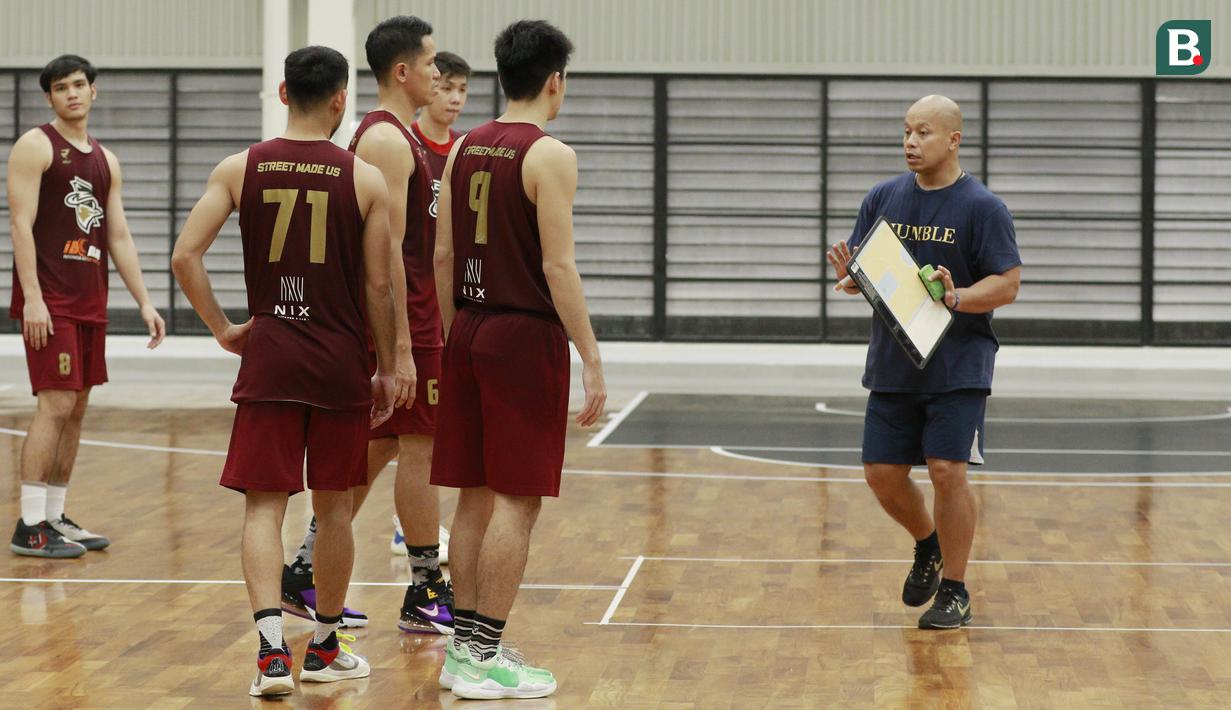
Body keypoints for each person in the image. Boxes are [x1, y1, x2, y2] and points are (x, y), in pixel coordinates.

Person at [171, 45, 400, 697]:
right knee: (334, 512)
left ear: (280, 93)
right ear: (339, 101)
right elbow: (379, 287)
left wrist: (223, 329)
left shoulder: (240, 167)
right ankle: (324, 647)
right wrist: (387, 365)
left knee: (262, 509)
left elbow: (186, 257)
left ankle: (271, 653)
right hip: (338, 361)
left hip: (270, 353)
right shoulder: (364, 178)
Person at [433, 19, 607, 700]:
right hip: (523, 335)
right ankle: (483, 653)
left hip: (468, 328)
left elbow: (443, 256)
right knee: (517, 502)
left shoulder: (462, 148)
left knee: (474, 496)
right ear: (555, 81)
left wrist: (457, 335)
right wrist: (589, 356)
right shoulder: (550, 155)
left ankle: (461, 652)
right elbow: (557, 266)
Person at [278, 15, 456, 635]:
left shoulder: (401, 136)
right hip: (406, 323)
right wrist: (401, 350)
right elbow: (390, 257)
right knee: (422, 450)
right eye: (431, 62)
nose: (439, 73)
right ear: (402, 71)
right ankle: (426, 587)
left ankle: (304, 570)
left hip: (411, 319)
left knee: (378, 448)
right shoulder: (384, 140)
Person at [827, 95, 1022, 629]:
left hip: (958, 364)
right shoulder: (883, 197)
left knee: (945, 470)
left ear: (954, 140)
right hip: (894, 361)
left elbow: (1007, 283)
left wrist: (957, 298)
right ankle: (927, 545)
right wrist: (851, 277)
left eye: (924, 133)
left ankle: (955, 590)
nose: (911, 143)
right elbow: (869, 275)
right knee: (882, 475)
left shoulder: (983, 208)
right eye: (906, 132)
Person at [8, 54, 166, 558]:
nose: (72, 93)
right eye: (61, 87)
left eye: (79, 85)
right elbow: (19, 224)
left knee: (75, 410)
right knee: (54, 404)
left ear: (93, 91)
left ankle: (54, 516)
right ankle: (29, 524)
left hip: (89, 300)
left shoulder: (105, 160)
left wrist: (144, 301)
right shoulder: (35, 147)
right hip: (51, 302)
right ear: (49, 97)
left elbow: (116, 235)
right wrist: (32, 297)